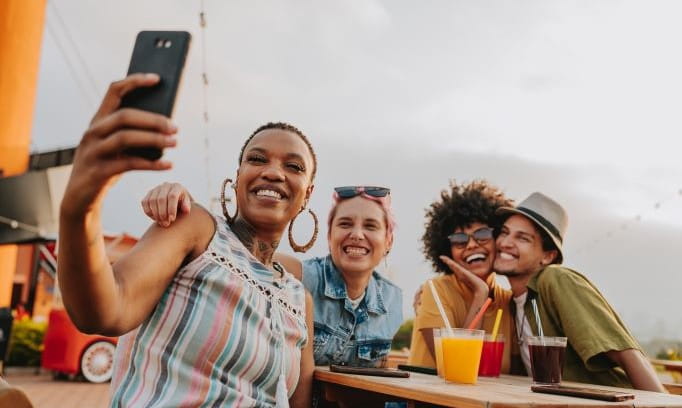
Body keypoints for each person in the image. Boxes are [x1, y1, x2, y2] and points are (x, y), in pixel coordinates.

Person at [57, 73, 314, 407]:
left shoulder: (297, 297)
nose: (274, 172)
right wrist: (80, 208)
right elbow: (105, 310)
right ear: (237, 179)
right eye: (257, 159)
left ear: (307, 195)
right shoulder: (196, 229)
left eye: (293, 166)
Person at [141, 183, 404, 368]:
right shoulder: (300, 277)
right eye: (345, 224)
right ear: (329, 235)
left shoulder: (393, 299)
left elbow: (380, 373)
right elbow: (231, 247)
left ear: (389, 240)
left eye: (371, 226)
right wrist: (184, 204)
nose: (357, 234)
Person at [494, 192, 665, 391]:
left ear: (548, 256)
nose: (505, 243)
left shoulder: (555, 280)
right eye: (504, 232)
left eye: (522, 238)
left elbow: (628, 354)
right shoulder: (512, 304)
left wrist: (661, 402)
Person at [408, 180, 517, 373]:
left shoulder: (508, 302)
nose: (472, 245)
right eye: (459, 240)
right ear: (447, 250)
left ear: (498, 239)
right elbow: (455, 367)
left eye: (482, 234)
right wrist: (480, 294)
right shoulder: (436, 291)